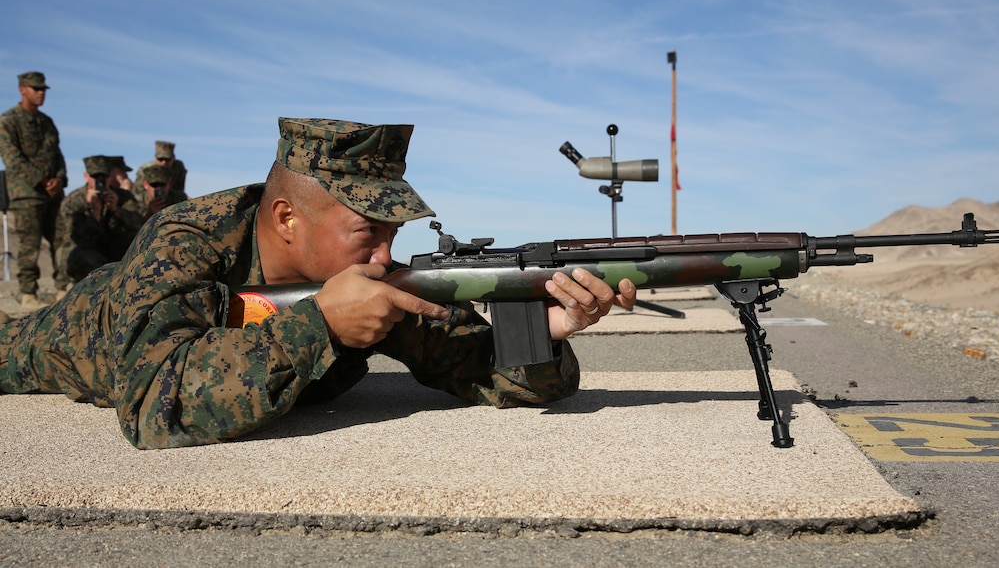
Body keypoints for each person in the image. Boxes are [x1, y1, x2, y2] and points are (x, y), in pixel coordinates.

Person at [0, 118, 637, 449]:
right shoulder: (185, 241)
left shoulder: (372, 276)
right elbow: (150, 405)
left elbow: (479, 370)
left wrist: (542, 335)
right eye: (369, 230)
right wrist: (321, 324)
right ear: (286, 217)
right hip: (74, 331)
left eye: (396, 229)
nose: (388, 252)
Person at [0, 72, 68, 309]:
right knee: (30, 243)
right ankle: (28, 291)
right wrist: (42, 181)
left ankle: (62, 287)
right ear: (22, 89)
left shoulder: (47, 122)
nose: (40, 93)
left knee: (61, 239)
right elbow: (12, 158)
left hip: (54, 193)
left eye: (43, 89)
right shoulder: (8, 121)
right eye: (35, 89)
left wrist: (59, 179)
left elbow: (58, 156)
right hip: (27, 192)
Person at [55, 155, 145, 283]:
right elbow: (78, 239)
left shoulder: (122, 197)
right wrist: (95, 213)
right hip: (83, 252)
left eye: (104, 177)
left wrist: (116, 210)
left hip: (111, 250)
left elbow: (139, 224)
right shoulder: (74, 201)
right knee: (87, 257)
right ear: (86, 176)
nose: (100, 181)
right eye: (95, 177)